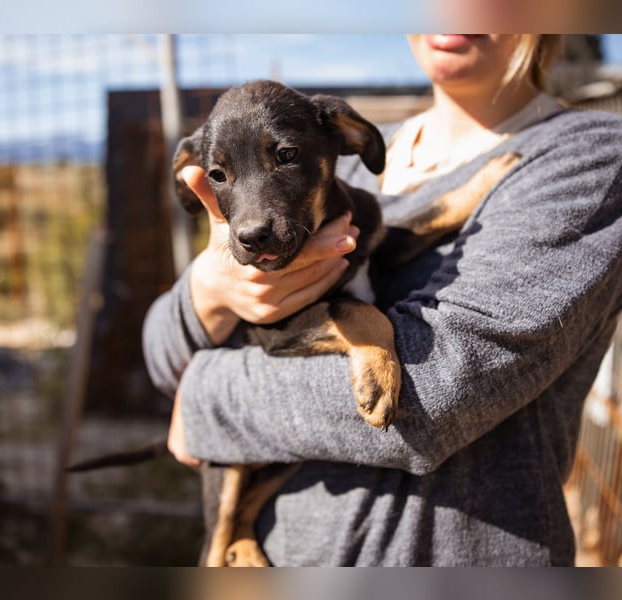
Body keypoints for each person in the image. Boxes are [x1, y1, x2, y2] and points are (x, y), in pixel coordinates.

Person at [142, 34, 622, 566]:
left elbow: (438, 397)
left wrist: (210, 400)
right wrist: (211, 288)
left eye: (284, 157)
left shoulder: (588, 157)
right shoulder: (340, 167)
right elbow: (162, 359)